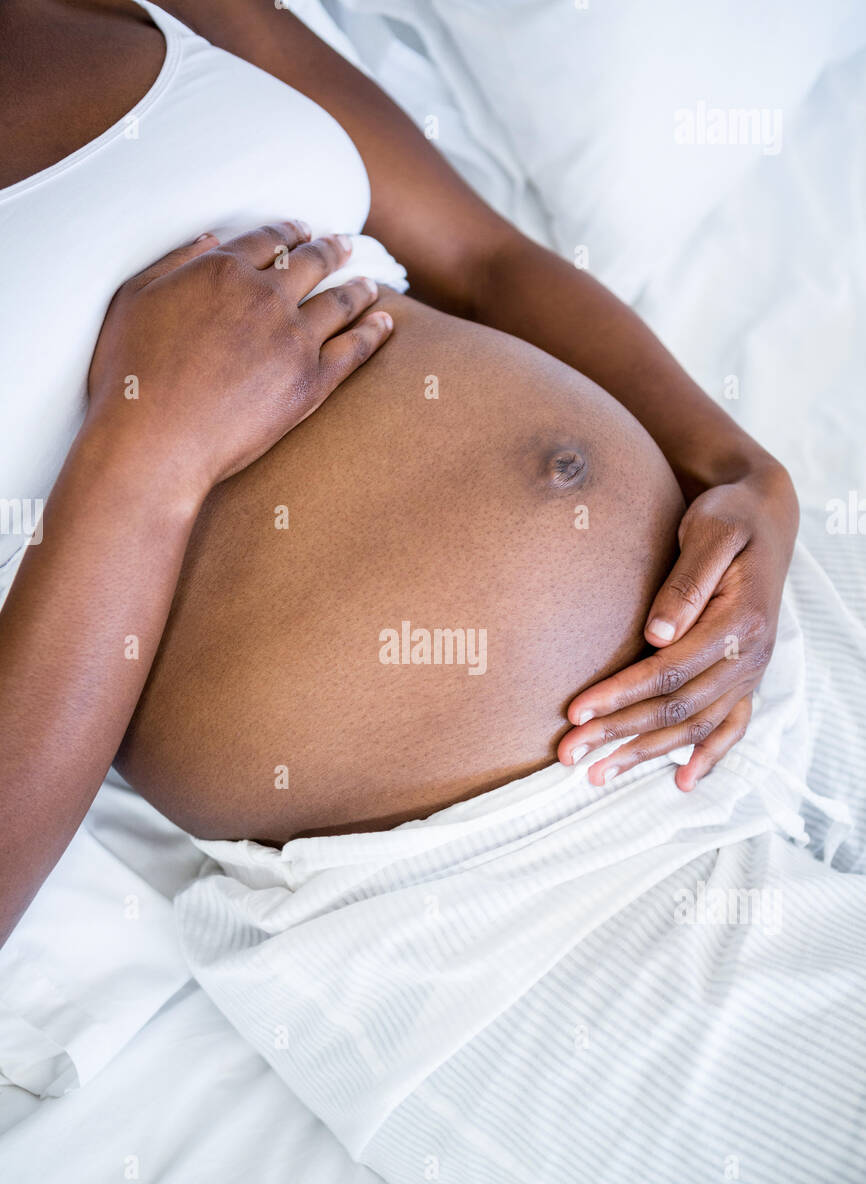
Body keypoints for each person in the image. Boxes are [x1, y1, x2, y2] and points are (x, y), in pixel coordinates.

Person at [0, 0, 797, 939]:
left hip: (743, 630)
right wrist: (147, 453)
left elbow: (482, 258)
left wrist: (746, 476)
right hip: (487, 884)